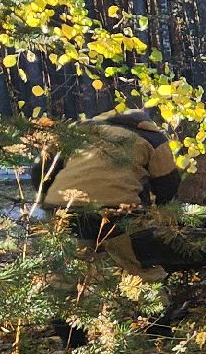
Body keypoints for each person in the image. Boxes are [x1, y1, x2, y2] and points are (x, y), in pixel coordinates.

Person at [39, 108, 190, 279]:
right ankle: (149, 301)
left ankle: (68, 298)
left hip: (60, 209)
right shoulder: (154, 139)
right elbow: (168, 191)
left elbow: (41, 169)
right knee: (138, 270)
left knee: (67, 273)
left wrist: (46, 199)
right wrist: (174, 229)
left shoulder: (79, 131)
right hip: (115, 213)